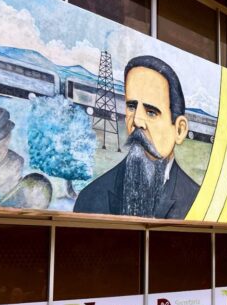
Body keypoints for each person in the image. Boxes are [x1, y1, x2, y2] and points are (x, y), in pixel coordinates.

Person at [74, 55, 199, 219]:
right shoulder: (90, 198)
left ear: (180, 130)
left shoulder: (199, 203)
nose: (137, 121)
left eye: (151, 112)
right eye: (131, 107)